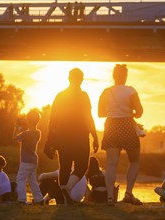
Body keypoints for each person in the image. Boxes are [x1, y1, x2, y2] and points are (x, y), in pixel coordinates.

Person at [46, 68, 99, 205]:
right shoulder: (83, 96)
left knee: (64, 167)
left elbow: (53, 120)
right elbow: (88, 117)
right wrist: (95, 135)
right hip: (80, 137)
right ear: (81, 79)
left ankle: (65, 198)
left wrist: (49, 140)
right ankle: (67, 189)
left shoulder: (60, 96)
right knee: (82, 167)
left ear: (69, 78)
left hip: (63, 138)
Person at [98, 64, 144, 206]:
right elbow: (140, 111)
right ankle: (128, 194)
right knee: (134, 161)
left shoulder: (106, 92)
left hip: (111, 126)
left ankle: (110, 197)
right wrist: (131, 113)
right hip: (127, 126)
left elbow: (100, 114)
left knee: (111, 163)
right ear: (125, 76)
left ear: (113, 76)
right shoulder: (131, 91)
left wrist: (112, 112)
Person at [13, 110, 44, 204]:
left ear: (28, 121)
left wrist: (15, 126)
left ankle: (21, 199)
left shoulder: (26, 134)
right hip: (34, 160)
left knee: (20, 179)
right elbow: (27, 134)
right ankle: (39, 199)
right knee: (32, 180)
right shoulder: (38, 133)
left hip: (25, 161)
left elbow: (14, 137)